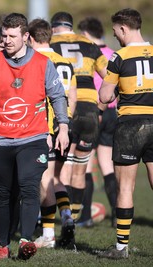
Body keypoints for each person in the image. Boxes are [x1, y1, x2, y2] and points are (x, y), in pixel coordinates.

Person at [0, 13, 69, 260]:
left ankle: (26, 240)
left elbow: (57, 96)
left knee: (29, 187)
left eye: (12, 36)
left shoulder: (42, 63)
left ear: (26, 36)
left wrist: (63, 127)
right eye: (3, 36)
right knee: (2, 194)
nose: (6, 40)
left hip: (33, 137)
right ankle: (3, 245)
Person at [98, 8, 153, 260]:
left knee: (126, 188)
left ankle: (121, 248)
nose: (116, 36)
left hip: (130, 125)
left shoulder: (119, 56)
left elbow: (105, 96)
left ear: (123, 28)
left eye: (115, 32)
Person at [50, 11, 108, 221]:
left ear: (54, 27)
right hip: (90, 108)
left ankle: (62, 218)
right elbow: (110, 77)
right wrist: (100, 108)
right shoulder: (89, 43)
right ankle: (74, 219)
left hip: (66, 106)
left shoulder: (51, 42)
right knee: (80, 168)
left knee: (60, 168)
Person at [27, 18, 77, 249]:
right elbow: (72, 98)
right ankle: (67, 216)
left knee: (45, 180)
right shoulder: (66, 62)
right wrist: (65, 124)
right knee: (58, 178)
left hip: (45, 127)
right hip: (65, 126)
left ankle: (47, 234)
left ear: (30, 37)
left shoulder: (36, 61)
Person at [77, 17, 117, 228]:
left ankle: (85, 217)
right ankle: (118, 214)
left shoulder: (88, 55)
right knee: (107, 165)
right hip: (112, 113)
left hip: (94, 111)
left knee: (85, 166)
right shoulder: (112, 53)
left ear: (85, 34)